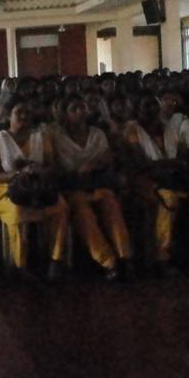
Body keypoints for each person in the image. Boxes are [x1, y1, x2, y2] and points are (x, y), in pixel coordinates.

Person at [123, 94, 189, 275]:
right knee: (169, 200)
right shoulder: (132, 130)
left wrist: (177, 164)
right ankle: (162, 256)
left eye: (155, 106)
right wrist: (173, 163)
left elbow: (183, 154)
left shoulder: (168, 128)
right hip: (145, 180)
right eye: (147, 106)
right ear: (138, 110)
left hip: (172, 177)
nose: (152, 110)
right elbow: (142, 163)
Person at [0, 97, 68, 280]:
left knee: (60, 206)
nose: (23, 116)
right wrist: (17, 175)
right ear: (9, 116)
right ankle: (21, 264)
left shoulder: (40, 137)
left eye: (27, 113)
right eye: (18, 112)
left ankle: (55, 259)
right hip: (8, 190)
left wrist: (39, 171)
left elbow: (52, 167)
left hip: (39, 188)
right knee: (17, 211)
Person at [52, 95, 132, 282]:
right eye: (74, 109)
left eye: (82, 108)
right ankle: (108, 260)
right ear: (65, 114)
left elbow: (107, 157)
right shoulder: (58, 137)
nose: (80, 113)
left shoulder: (97, 133)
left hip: (97, 183)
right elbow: (58, 166)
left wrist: (93, 164)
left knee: (112, 206)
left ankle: (125, 257)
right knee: (83, 213)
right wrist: (77, 171)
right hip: (73, 186)